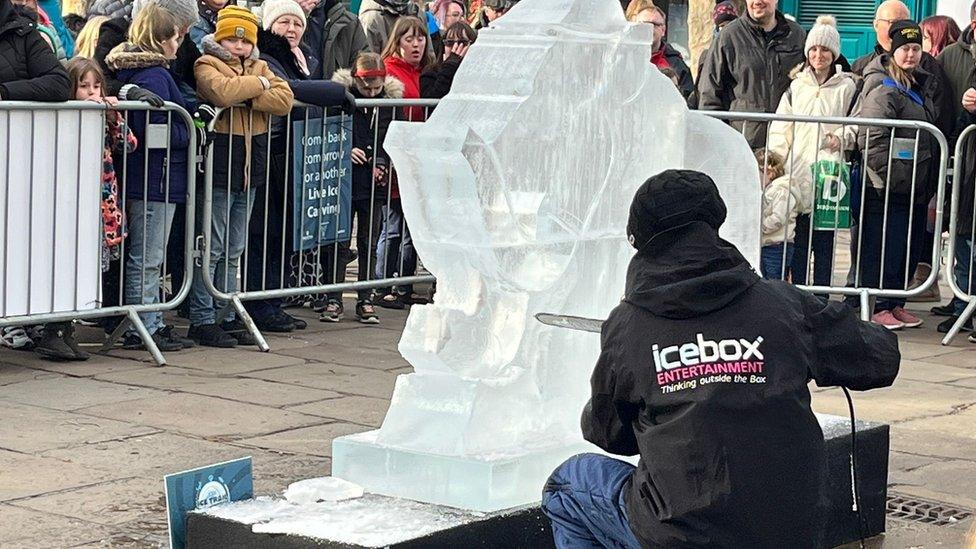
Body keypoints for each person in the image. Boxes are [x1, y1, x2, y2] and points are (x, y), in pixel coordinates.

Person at [541, 169, 900, 548]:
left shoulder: (629, 325)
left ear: (639, 240)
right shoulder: (783, 305)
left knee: (567, 485)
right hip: (791, 532)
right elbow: (880, 357)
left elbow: (607, 433)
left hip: (684, 535)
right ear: (716, 222)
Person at [188, 5, 294, 347]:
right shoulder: (206, 62)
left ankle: (227, 312)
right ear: (221, 38)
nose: (239, 47)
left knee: (234, 247)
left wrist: (247, 93)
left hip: (252, 165)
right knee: (213, 246)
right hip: (222, 163)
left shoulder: (261, 65)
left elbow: (285, 99)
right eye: (233, 40)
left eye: (245, 41)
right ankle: (203, 317)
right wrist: (258, 86)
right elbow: (220, 91)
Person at [244, 0, 350, 331]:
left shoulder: (302, 58)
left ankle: (273, 300)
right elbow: (284, 90)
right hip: (270, 148)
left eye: (297, 24)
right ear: (270, 25)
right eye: (284, 22)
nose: (291, 29)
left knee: (279, 233)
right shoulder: (267, 55)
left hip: (292, 150)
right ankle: (260, 303)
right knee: (264, 232)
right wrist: (335, 90)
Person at [105, 2, 194, 352]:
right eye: (176, 37)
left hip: (150, 178)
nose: (179, 44)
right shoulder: (155, 75)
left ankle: (149, 321)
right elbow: (157, 130)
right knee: (148, 257)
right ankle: (144, 326)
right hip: (157, 179)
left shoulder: (136, 72)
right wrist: (191, 130)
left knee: (146, 255)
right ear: (163, 39)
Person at [855, 20, 934, 330]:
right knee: (884, 246)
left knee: (906, 247)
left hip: (914, 185)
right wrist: (894, 179)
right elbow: (872, 140)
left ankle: (896, 302)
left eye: (916, 49)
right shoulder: (882, 86)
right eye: (905, 49)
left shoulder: (915, 84)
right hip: (888, 187)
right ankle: (879, 306)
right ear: (893, 50)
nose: (911, 55)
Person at [768, 15, 856, 289]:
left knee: (826, 245)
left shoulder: (848, 87)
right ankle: (801, 294)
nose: (819, 55)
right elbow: (782, 129)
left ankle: (822, 297)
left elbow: (857, 124)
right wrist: (775, 163)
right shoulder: (796, 87)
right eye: (814, 49)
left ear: (835, 53)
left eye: (826, 49)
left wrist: (840, 139)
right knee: (800, 240)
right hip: (798, 174)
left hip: (830, 175)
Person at [327, 52, 406, 323]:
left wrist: (381, 162)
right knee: (338, 241)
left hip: (374, 183)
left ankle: (365, 298)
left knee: (368, 242)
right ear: (354, 80)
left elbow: (394, 137)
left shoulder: (391, 103)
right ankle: (333, 298)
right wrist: (346, 150)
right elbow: (330, 131)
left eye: (376, 87)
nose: (371, 92)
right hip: (345, 179)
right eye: (365, 88)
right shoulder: (342, 99)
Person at [374, 15, 430, 310]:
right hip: (396, 158)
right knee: (393, 226)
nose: (416, 44)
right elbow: (383, 120)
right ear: (397, 42)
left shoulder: (424, 72)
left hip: (418, 159)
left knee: (413, 229)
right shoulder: (389, 72)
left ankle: (404, 286)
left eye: (420, 38)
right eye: (409, 39)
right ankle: (381, 286)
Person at [698, 0, 806, 149]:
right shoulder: (729, 36)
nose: (757, 2)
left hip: (788, 145)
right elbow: (710, 94)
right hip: (743, 143)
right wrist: (718, 140)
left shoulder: (796, 35)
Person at [937, 0, 976, 332]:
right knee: (961, 230)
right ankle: (963, 301)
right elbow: (940, 100)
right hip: (963, 158)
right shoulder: (950, 56)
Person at [626, 2, 692, 103]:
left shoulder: (677, 63)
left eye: (655, 24)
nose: (650, 28)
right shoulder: (624, 58)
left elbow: (688, 100)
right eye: (644, 24)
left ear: (663, 30)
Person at [756, 149, 799, 280]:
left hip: (777, 246)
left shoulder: (782, 190)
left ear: (769, 172)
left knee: (775, 282)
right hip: (765, 245)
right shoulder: (767, 190)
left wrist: (758, 228)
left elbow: (778, 218)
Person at [689, 0, 737, 109]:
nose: (726, 31)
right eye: (723, 26)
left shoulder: (742, 50)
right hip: (717, 111)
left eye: (730, 25)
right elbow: (703, 90)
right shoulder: (707, 55)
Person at [301, 0, 367, 79]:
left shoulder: (349, 22)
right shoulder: (284, 21)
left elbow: (363, 70)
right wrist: (296, 14)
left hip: (337, 90)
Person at [420, 20, 473, 99]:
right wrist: (448, 68)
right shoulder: (430, 72)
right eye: (449, 43)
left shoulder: (479, 73)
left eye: (462, 43)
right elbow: (431, 102)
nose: (455, 47)